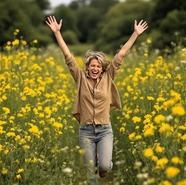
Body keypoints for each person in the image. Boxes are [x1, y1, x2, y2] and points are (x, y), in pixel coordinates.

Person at [46, 15, 148, 185]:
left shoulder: (109, 77)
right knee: (89, 173)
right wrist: (57, 33)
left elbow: (121, 55)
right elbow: (68, 56)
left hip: (104, 130)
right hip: (85, 131)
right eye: (92, 65)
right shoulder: (80, 78)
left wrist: (135, 34)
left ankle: (102, 163)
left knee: (105, 167)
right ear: (87, 67)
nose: (95, 68)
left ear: (102, 68)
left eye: (98, 66)